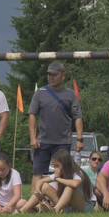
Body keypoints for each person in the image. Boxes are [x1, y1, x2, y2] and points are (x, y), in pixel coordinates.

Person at [27, 62, 84, 198]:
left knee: (63, 173)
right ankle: (34, 203)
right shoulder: (40, 93)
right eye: (49, 75)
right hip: (43, 141)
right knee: (37, 172)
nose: (51, 77)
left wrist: (80, 139)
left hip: (63, 142)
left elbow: (78, 117)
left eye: (54, 75)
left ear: (63, 76)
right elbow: (32, 115)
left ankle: (59, 201)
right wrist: (33, 138)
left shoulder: (70, 95)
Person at [21, 148, 88, 213]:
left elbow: (75, 184)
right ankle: (23, 210)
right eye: (54, 166)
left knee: (69, 187)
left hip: (80, 205)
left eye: (57, 166)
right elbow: (40, 181)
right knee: (44, 186)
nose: (55, 168)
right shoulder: (58, 175)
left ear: (65, 165)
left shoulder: (77, 172)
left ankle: (56, 209)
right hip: (66, 206)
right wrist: (38, 190)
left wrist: (57, 179)